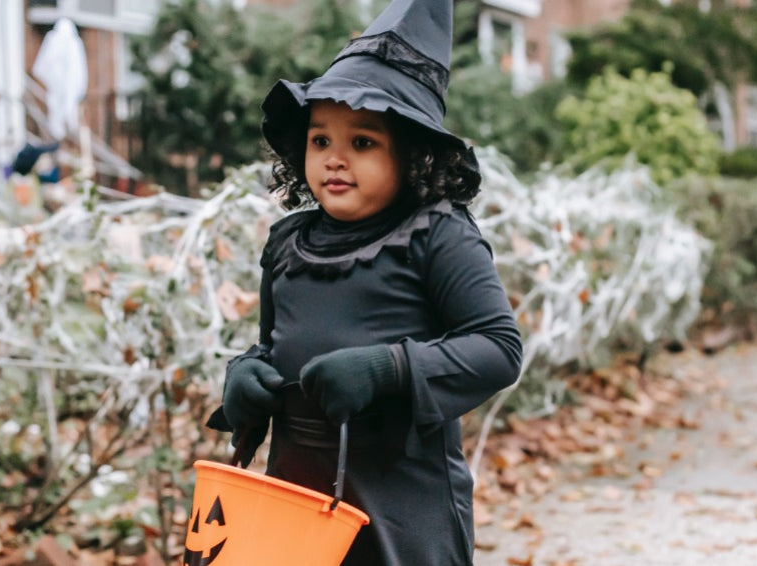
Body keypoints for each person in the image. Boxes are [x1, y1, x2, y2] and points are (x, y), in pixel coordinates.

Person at [207, 1, 522, 564]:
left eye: (363, 143)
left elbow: (498, 349)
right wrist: (245, 377)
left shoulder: (437, 236)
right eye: (321, 140)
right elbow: (274, 345)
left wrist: (389, 368)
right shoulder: (289, 243)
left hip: (403, 509)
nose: (334, 159)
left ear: (412, 155)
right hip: (296, 503)